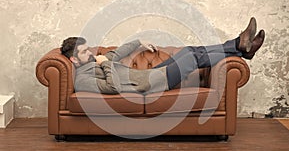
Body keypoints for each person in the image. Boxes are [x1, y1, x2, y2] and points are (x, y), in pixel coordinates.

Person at [61, 17, 265, 94]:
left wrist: (138, 42)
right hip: (149, 84)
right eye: (84, 52)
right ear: (73, 60)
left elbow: (116, 53)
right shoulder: (82, 80)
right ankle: (239, 46)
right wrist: (105, 64)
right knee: (191, 59)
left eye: (88, 49)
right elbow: (112, 87)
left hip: (149, 75)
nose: (91, 52)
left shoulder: (95, 61)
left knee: (188, 51)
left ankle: (240, 47)